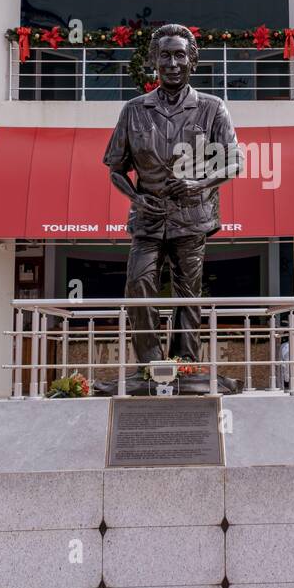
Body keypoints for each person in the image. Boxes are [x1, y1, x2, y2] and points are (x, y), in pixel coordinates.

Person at [103, 24, 239, 366]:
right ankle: (151, 365)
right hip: (148, 217)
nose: (173, 62)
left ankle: (186, 363)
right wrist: (135, 197)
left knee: (188, 293)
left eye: (180, 55)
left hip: (192, 216)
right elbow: (116, 169)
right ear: (154, 60)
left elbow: (234, 161)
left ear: (192, 60)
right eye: (165, 55)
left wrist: (200, 183)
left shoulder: (212, 108)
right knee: (138, 283)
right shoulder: (134, 110)